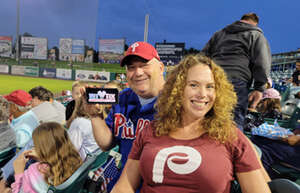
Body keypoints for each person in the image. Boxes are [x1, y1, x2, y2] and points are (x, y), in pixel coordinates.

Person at [111, 54, 271, 193]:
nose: (202, 94)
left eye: (210, 87)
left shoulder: (232, 137)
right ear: (178, 90)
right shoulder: (150, 131)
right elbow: (124, 187)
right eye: (193, 85)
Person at [84, 41, 165, 191]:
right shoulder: (122, 99)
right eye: (131, 68)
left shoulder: (176, 103)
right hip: (125, 183)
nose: (138, 72)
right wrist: (95, 116)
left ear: (161, 68)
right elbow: (106, 143)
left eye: (144, 65)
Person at [202, 12, 271, 130]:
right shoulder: (255, 34)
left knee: (208, 118)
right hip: (237, 81)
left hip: (213, 78)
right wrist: (259, 88)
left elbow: (203, 57)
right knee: (233, 122)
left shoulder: (219, 34)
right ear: (255, 23)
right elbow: (262, 62)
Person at [11, 122, 82, 193]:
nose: (34, 148)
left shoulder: (33, 171)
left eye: (35, 145)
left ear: (43, 149)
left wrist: (18, 172)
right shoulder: (74, 160)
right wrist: (43, 159)